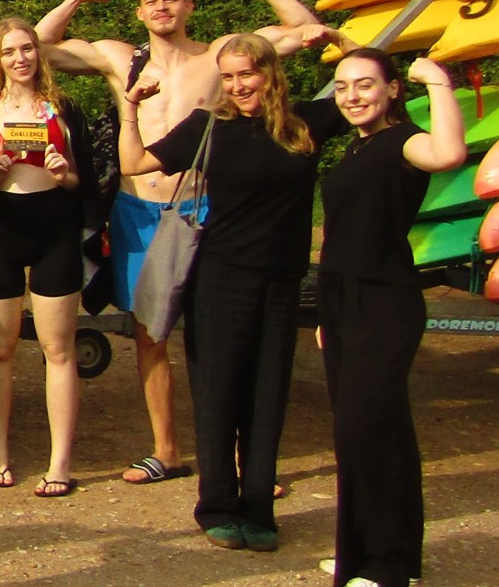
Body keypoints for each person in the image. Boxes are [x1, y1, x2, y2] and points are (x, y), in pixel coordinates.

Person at [35, 0, 325, 486]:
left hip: (205, 208)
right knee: (150, 335)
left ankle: (241, 458)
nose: (162, 8)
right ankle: (165, 450)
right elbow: (36, 47)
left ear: (190, 6)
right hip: (138, 211)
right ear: (139, 12)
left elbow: (304, 30)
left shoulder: (218, 58)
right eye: (151, 1)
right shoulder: (118, 58)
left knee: (222, 335)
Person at [118, 32, 344, 552]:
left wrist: (336, 37)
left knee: (268, 396)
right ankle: (217, 506)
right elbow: (134, 163)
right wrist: (130, 109)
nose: (239, 86)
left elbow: (370, 80)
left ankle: (259, 509)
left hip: (280, 282)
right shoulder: (209, 126)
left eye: (248, 74)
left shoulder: (304, 123)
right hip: (219, 281)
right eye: (229, 77)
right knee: (219, 395)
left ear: (270, 74)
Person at [317, 48, 463, 587]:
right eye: (342, 87)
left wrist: (438, 82)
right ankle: (368, 554)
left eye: (365, 85)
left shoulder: (404, 140)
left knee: (367, 430)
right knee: (371, 433)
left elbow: (449, 153)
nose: (351, 96)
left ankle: (387, 564)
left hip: (384, 303)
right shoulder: (356, 147)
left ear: (393, 89)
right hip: (343, 300)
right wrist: (327, 316)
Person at [0, 18, 99, 497]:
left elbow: (83, 180)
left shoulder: (64, 109)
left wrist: (65, 174)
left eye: (26, 49)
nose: (19, 59)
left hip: (54, 230)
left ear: (39, 53)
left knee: (57, 350)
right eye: (8, 51)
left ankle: (60, 463)